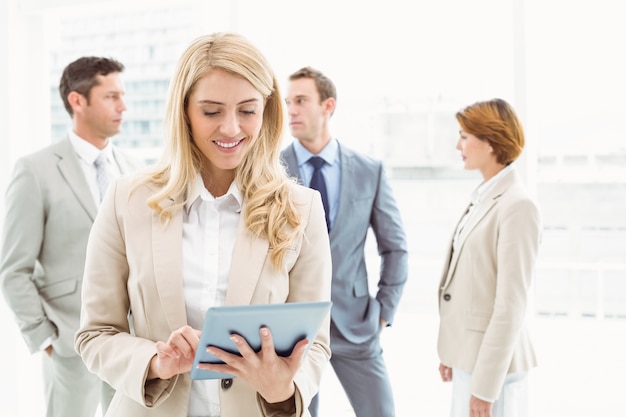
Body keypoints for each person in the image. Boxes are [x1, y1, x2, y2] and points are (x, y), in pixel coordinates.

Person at [74, 32, 332, 417]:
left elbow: (315, 344)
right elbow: (96, 334)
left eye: (247, 110)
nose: (230, 129)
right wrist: (155, 363)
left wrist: (282, 390)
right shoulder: (127, 200)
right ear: (184, 112)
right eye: (211, 112)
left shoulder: (302, 208)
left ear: (267, 110)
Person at [0, 56, 143, 417]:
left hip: (130, 342)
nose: (123, 106)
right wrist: (44, 338)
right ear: (77, 101)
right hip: (68, 340)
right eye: (111, 96)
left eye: (122, 95)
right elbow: (13, 268)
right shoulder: (35, 170)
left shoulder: (132, 170)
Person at [281, 66, 408, 417]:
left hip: (356, 325)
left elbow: (394, 247)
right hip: (292, 331)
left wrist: (383, 311)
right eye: (288, 101)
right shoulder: (270, 169)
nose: (291, 110)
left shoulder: (369, 171)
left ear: (328, 106)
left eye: (301, 101)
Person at [437, 98, 542, 417]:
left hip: (493, 369)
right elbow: (472, 287)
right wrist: (453, 352)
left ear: (491, 141)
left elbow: (510, 305)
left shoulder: (517, 206)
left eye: (465, 136)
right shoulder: (485, 198)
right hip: (471, 359)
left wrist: (484, 388)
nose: (458, 145)